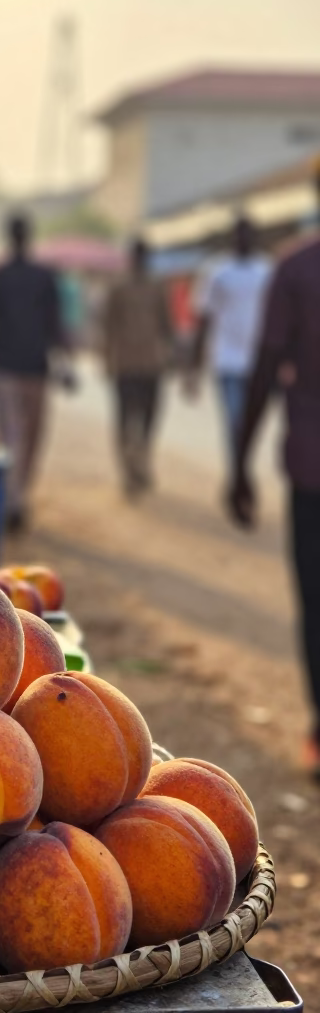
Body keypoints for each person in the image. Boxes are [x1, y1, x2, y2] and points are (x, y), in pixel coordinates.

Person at [228, 223, 320, 779]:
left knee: (317, 600)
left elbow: (265, 366)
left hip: (313, 469)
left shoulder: (299, 269)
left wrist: (240, 460)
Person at [0, 212, 68, 532]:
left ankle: (14, 498)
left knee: (11, 434)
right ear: (29, 235)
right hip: (35, 367)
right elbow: (56, 325)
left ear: (8, 236)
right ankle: (17, 497)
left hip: (6, 366)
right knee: (31, 435)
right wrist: (65, 363)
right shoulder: (45, 276)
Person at [189, 216, 272, 469]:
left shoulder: (267, 272)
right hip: (227, 360)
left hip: (258, 361)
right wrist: (193, 365)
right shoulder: (217, 272)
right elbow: (203, 319)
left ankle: (242, 469)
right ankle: (238, 471)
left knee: (251, 423)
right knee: (235, 419)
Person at [103, 238, 173, 495]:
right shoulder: (118, 288)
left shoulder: (157, 287)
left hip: (151, 364)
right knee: (125, 420)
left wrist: (171, 356)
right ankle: (129, 470)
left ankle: (141, 463)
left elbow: (167, 325)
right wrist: (108, 361)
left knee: (148, 420)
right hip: (125, 364)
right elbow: (108, 327)